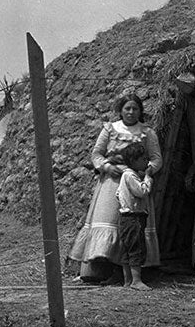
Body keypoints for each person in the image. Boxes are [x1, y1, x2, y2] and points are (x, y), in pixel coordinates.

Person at [69, 93, 163, 282]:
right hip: (111, 184)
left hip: (134, 186)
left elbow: (156, 158)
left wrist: (146, 171)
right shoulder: (110, 129)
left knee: (132, 226)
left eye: (135, 108)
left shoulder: (147, 132)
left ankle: (125, 273)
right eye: (127, 108)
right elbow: (96, 154)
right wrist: (106, 166)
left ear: (140, 111)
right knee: (108, 222)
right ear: (120, 110)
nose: (131, 112)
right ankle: (101, 271)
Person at [114, 141, 153, 290]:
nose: (146, 162)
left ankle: (128, 280)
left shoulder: (125, 176)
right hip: (134, 217)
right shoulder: (130, 176)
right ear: (134, 161)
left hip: (126, 217)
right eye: (143, 159)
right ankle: (136, 281)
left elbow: (118, 194)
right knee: (136, 248)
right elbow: (141, 192)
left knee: (127, 248)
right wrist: (148, 178)